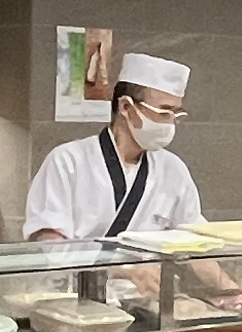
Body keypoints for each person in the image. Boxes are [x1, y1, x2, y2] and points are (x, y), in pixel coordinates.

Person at [24, 53, 205, 242]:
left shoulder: (173, 169)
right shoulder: (68, 161)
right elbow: (48, 236)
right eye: (164, 112)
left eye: (176, 114)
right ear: (126, 107)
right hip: (77, 262)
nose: (170, 122)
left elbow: (194, 234)